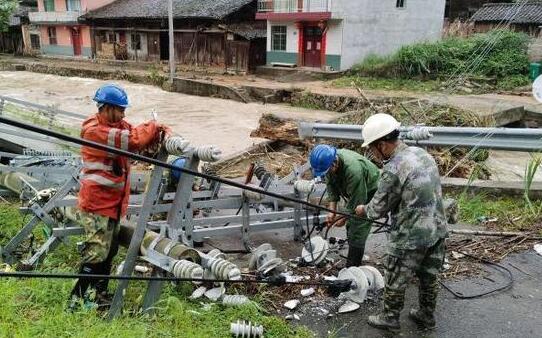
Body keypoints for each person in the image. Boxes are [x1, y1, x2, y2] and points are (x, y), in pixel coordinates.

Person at [69, 84, 169, 309]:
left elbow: (136, 135)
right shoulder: (94, 130)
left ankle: (97, 294)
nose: (124, 114)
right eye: (120, 109)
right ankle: (77, 299)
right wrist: (152, 127)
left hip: (112, 204)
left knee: (109, 250)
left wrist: (158, 131)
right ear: (107, 108)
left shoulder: (117, 126)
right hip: (97, 204)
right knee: (96, 251)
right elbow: (133, 140)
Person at [354, 113, 448, 331]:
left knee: (395, 276)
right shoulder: (421, 153)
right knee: (429, 276)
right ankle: (426, 315)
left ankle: (390, 318)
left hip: (411, 236)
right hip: (437, 229)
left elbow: (376, 209)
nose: (372, 154)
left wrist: (362, 209)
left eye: (372, 149)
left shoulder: (393, 168)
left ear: (383, 145)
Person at [309, 144, 380, 267]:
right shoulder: (328, 162)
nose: (327, 174)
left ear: (334, 163)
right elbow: (331, 186)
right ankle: (354, 253)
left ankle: (353, 266)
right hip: (353, 189)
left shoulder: (354, 171)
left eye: (328, 171)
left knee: (358, 223)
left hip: (370, 189)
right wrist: (332, 212)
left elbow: (357, 201)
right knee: (349, 221)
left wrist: (342, 218)